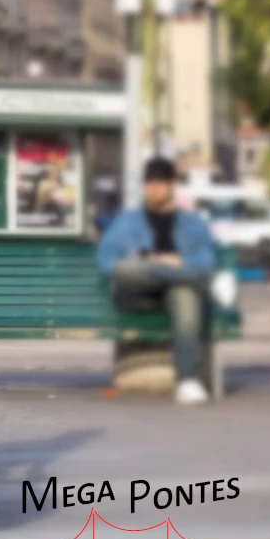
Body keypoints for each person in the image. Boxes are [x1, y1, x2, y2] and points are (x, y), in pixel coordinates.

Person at [97, 157, 220, 405]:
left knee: (184, 293)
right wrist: (157, 263)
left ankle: (188, 380)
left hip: (171, 296)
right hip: (135, 294)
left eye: (161, 182)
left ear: (172, 185)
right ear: (144, 185)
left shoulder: (192, 223)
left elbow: (206, 260)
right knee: (127, 268)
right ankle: (203, 282)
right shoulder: (127, 220)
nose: (155, 187)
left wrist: (179, 260)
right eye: (150, 182)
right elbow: (107, 260)